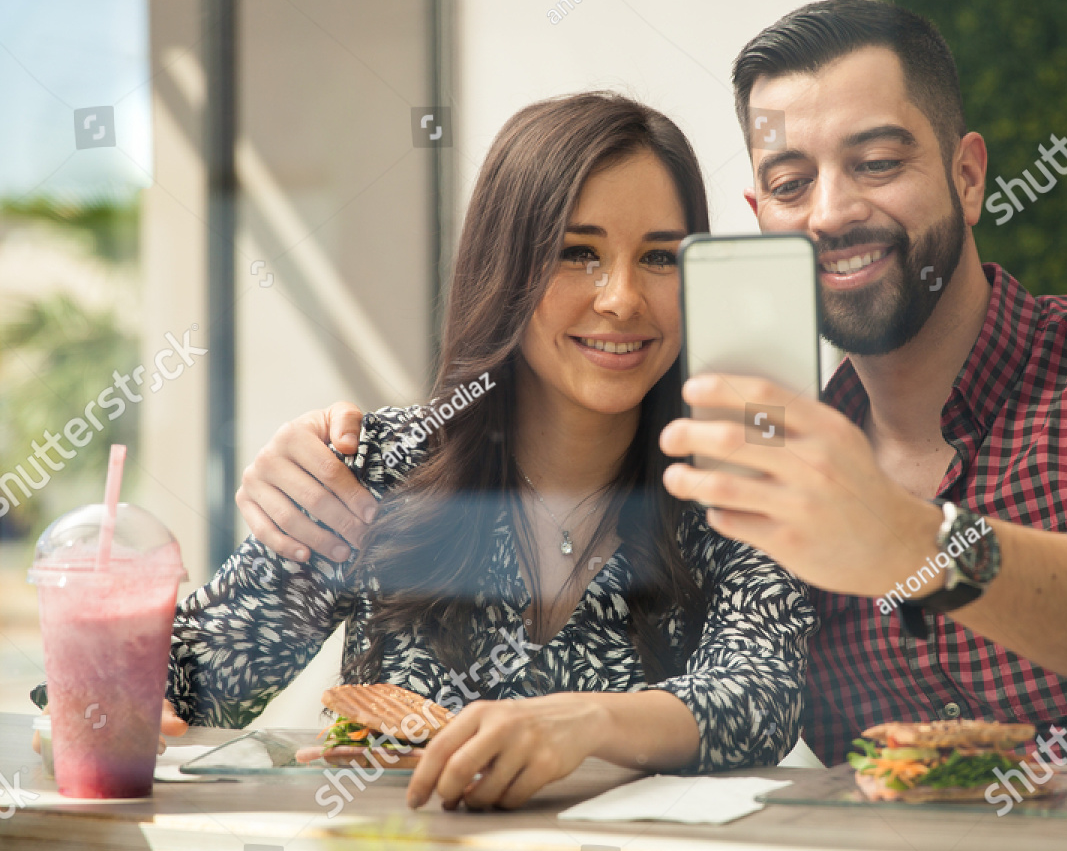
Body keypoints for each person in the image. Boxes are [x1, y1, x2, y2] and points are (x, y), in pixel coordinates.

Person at [239, 0, 1067, 787]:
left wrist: (913, 544)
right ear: (757, 210)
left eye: (877, 162)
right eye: (791, 181)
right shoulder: (764, 463)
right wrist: (322, 458)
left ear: (969, 174)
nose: (831, 210)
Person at [166, 92, 816, 810]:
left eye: (660, 256)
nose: (622, 298)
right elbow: (187, 680)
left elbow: (759, 694)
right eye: (579, 253)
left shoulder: (736, 478)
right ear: (506, 265)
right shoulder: (381, 466)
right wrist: (120, 635)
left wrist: (587, 719)